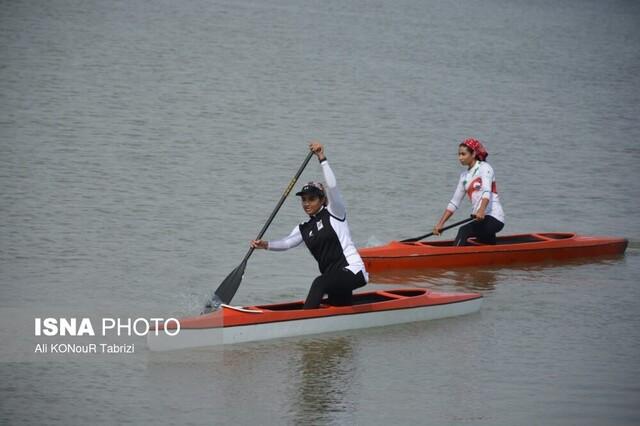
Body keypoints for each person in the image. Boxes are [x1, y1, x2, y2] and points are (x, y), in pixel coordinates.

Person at [251, 142, 368, 309]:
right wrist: (265, 245)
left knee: (319, 283)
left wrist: (322, 158)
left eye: (312, 199)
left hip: (354, 271)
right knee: (341, 310)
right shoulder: (304, 228)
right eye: (304, 199)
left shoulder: (335, 212)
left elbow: (333, 186)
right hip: (335, 278)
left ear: (322, 200)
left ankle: (302, 321)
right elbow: (286, 243)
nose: (306, 203)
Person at [433, 138, 505, 246]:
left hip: (494, 217)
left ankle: (453, 259)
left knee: (464, 230)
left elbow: (486, 191)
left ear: (473, 153)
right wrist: (440, 224)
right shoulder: (464, 176)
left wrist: (481, 210)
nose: (460, 158)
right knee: (487, 244)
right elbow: (454, 203)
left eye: (463, 154)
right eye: (458, 154)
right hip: (480, 218)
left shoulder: (485, 168)